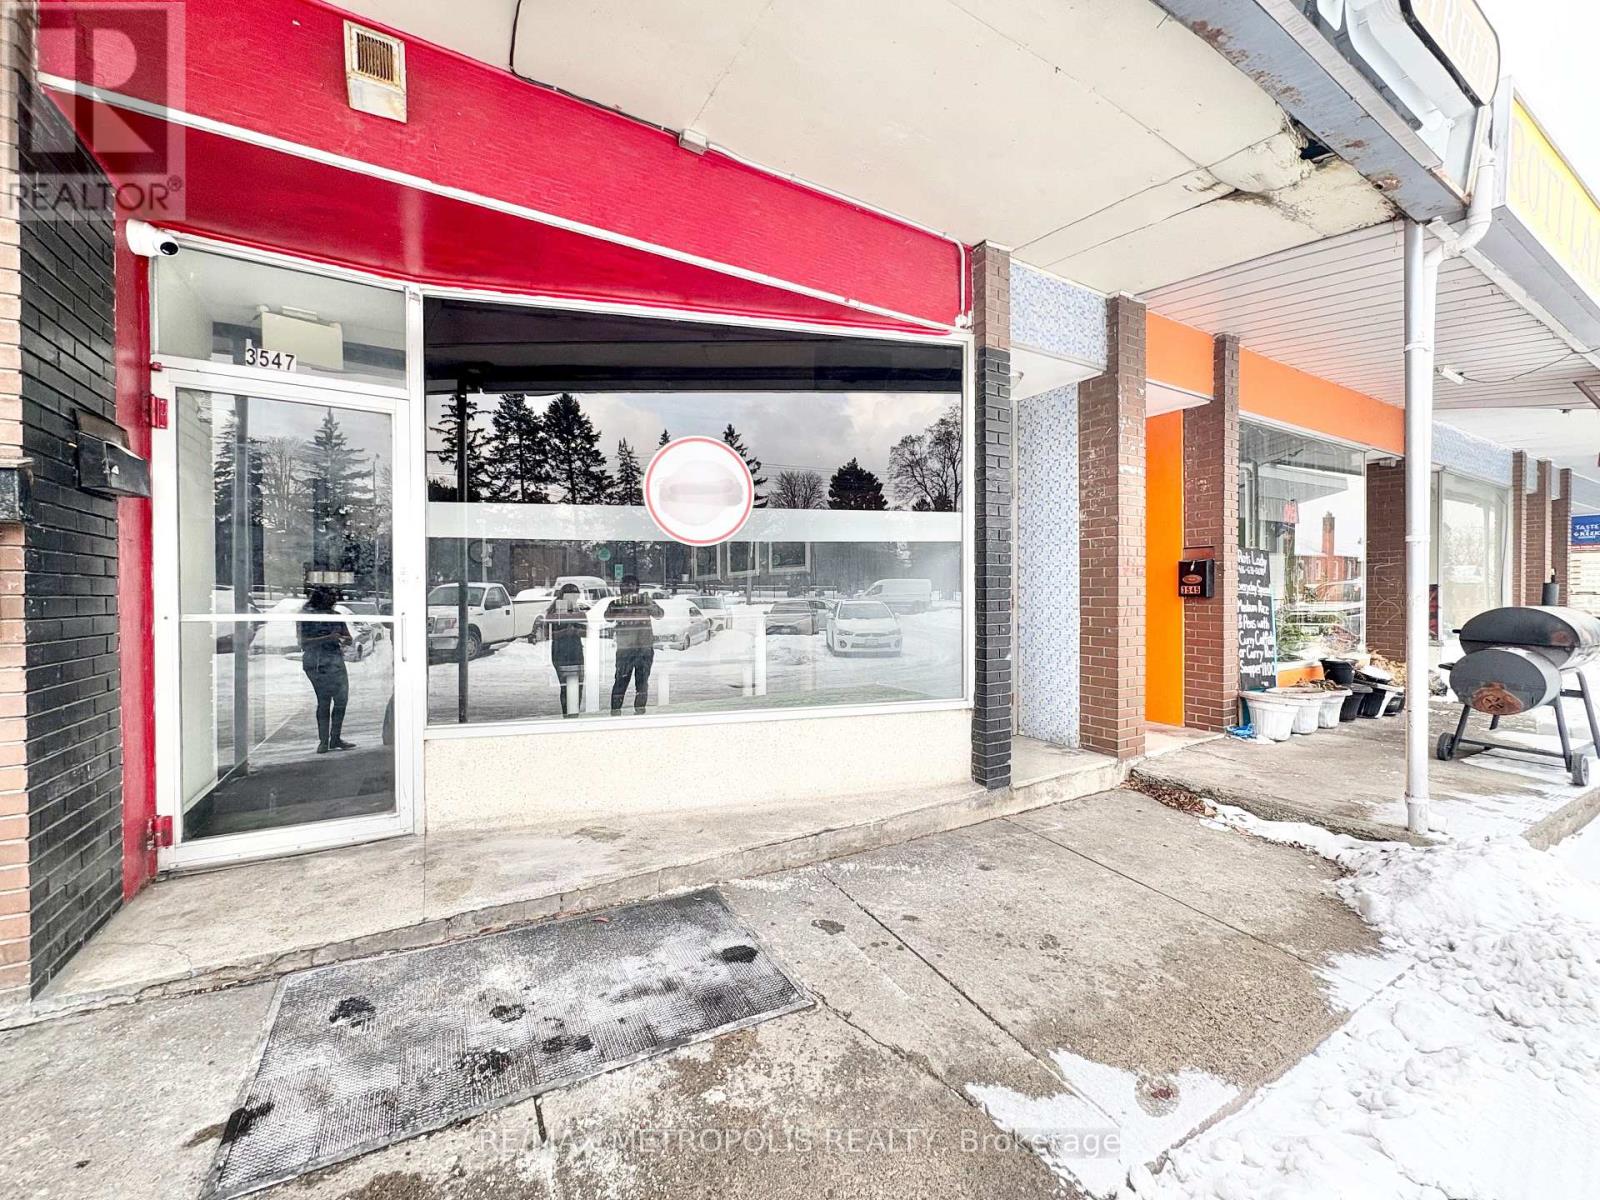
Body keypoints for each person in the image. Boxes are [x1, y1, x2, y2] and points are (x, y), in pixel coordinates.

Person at [300, 583, 354, 753]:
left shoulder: (336, 616)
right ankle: (323, 741)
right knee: (324, 701)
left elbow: (349, 638)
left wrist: (345, 639)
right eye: (330, 597)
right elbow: (303, 642)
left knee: (341, 700)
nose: (333, 601)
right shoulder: (308, 617)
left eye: (334, 598)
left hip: (335, 660)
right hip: (317, 662)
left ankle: (335, 738)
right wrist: (328, 637)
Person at [608, 574, 663, 715]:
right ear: (621, 588)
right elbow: (608, 617)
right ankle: (615, 713)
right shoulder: (617, 603)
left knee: (642, 683)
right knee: (620, 682)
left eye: (633, 585)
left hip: (644, 648)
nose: (629, 588)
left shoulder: (644, 601)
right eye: (626, 585)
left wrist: (648, 603)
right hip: (625, 649)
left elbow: (660, 614)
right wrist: (619, 604)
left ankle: (639, 712)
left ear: (637, 588)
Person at [545, 583, 586, 717]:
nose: (575, 598)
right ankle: (567, 714)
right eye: (572, 595)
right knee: (567, 686)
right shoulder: (554, 611)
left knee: (577, 685)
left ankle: (573, 713)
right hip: (561, 651)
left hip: (575, 650)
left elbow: (587, 630)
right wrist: (564, 632)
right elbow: (547, 634)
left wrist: (576, 631)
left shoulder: (577, 610)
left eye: (576, 596)